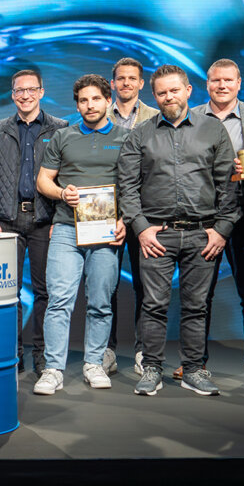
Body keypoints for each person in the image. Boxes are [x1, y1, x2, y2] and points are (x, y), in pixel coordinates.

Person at [117, 64, 239, 397]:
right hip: (156, 235)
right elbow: (127, 186)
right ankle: (152, 368)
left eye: (174, 90)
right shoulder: (141, 134)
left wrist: (222, 229)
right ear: (154, 96)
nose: (168, 97)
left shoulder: (213, 130)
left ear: (188, 90)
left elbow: (228, 184)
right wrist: (141, 229)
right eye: (161, 93)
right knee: (153, 305)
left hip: (203, 234)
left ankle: (194, 370)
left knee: (196, 306)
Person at [33, 74, 127, 395]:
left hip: (106, 230)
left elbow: (134, 185)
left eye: (96, 98)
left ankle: (94, 363)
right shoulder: (63, 136)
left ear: (108, 100)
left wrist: (124, 220)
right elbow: (43, 181)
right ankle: (53, 369)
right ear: (77, 105)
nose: (90, 105)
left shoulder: (126, 138)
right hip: (66, 228)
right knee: (59, 301)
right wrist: (62, 193)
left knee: (100, 302)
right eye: (83, 100)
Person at [188, 58, 244, 387]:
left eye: (228, 80)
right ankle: (194, 363)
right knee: (199, 295)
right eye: (215, 80)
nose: (221, 86)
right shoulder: (192, 116)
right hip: (204, 218)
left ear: (239, 83)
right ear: (206, 84)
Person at [0, 69, 67, 374]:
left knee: (45, 293)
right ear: (12, 94)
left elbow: (65, 177)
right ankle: (12, 354)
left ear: (41, 92)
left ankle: (42, 356)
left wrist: (60, 218)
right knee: (7, 293)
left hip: (45, 220)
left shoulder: (60, 128)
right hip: (7, 221)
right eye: (19, 90)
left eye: (31, 90)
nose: (25, 95)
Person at [106, 57, 159, 377]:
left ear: (141, 84)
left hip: (144, 213)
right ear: (112, 83)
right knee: (105, 285)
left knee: (145, 285)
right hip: (106, 213)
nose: (126, 83)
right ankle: (106, 350)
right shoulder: (98, 114)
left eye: (132, 78)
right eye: (121, 78)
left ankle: (143, 351)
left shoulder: (155, 117)